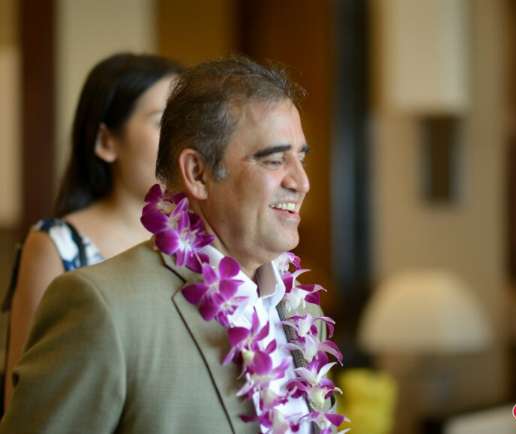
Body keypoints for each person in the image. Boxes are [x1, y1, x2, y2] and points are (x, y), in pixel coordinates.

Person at [0, 57, 345, 433]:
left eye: (300, 158)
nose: (301, 182)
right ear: (197, 173)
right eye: (275, 160)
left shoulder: (301, 312)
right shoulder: (102, 307)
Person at [3, 52, 182, 408]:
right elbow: (24, 402)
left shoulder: (201, 241)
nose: (181, 138)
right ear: (106, 141)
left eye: (186, 121)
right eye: (162, 121)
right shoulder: (57, 244)